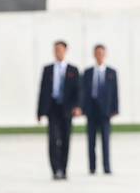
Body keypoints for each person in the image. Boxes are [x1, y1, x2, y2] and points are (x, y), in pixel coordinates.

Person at [37, 40, 81, 180]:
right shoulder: (48, 69)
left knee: (66, 139)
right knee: (53, 140)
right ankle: (55, 169)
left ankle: (63, 168)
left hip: (67, 109)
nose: (58, 52)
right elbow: (42, 91)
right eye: (56, 49)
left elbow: (78, 91)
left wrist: (77, 107)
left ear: (65, 51)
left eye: (61, 49)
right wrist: (39, 111)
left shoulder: (73, 70)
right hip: (52, 109)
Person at [81, 44, 119, 174]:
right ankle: (92, 167)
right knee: (91, 141)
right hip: (91, 111)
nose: (99, 55)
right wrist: (82, 108)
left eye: (102, 53)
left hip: (105, 112)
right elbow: (83, 92)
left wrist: (115, 109)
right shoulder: (87, 72)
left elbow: (115, 93)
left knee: (105, 141)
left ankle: (107, 167)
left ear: (105, 54)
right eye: (97, 53)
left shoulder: (111, 73)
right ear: (94, 54)